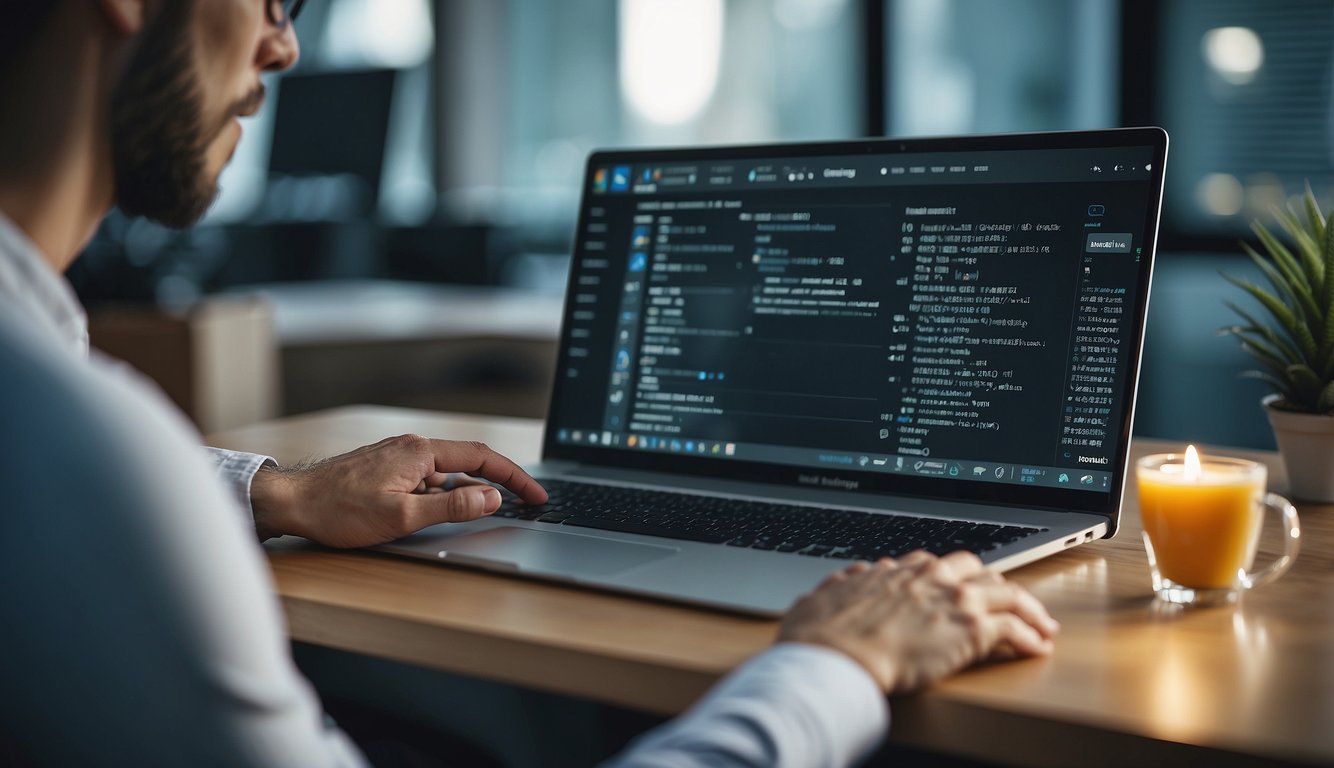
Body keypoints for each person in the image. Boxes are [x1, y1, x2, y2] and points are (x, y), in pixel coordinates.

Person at [0, 2, 1059, 766]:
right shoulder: (89, 450)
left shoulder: (51, 410)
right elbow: (99, 479)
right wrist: (836, 665)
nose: (285, 45)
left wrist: (274, 491)